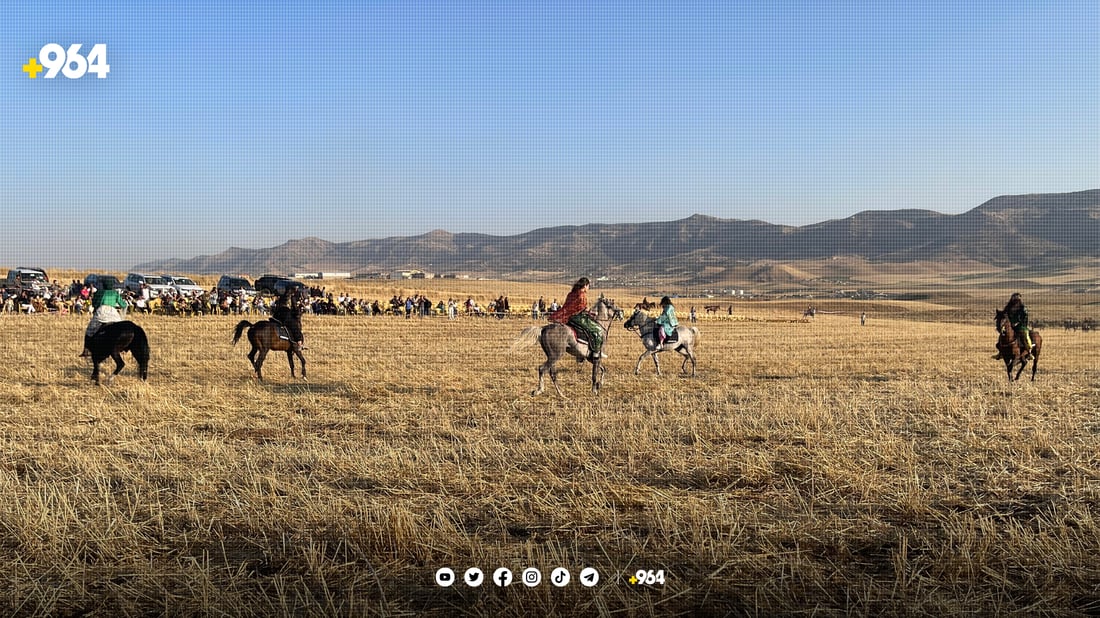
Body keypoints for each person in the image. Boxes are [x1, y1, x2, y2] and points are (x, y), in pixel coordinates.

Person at [548, 277, 603, 360]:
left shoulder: (571, 293)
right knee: (596, 330)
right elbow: (580, 309)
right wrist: (590, 312)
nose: (588, 288)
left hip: (568, 316)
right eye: (588, 286)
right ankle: (595, 353)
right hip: (577, 317)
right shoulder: (582, 295)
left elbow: (571, 306)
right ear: (585, 286)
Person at [79, 279, 128, 357]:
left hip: (101, 313)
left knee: (89, 331)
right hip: (113, 314)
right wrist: (122, 316)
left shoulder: (99, 292)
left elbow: (95, 304)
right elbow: (124, 305)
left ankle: (86, 350)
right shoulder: (115, 293)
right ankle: (123, 348)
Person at [995, 292, 1033, 361]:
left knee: (1025, 335)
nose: (1015, 299)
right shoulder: (1008, 307)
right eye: (1014, 298)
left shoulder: (1022, 308)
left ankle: (1029, 352)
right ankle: (1000, 352)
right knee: (1002, 335)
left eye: (1016, 298)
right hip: (1010, 325)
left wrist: (1017, 323)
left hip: (1021, 326)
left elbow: (1024, 317)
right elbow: (1005, 313)